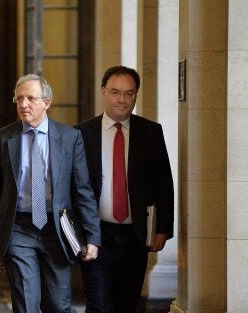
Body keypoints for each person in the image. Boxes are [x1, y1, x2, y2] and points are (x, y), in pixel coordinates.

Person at [0, 74, 101, 313]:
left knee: (58, 304)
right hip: (19, 228)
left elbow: (83, 190)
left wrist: (92, 237)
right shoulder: (2, 139)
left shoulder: (70, 138)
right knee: (26, 302)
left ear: (46, 102)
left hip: (57, 229)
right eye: (19, 99)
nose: (23, 104)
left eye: (30, 98)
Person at [75, 65, 174, 312]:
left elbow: (164, 183)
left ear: (136, 95)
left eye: (129, 93)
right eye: (116, 92)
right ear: (104, 92)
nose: (122, 99)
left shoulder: (151, 132)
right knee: (98, 303)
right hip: (95, 233)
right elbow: (71, 186)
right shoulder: (81, 133)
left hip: (136, 235)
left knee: (126, 303)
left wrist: (163, 228)